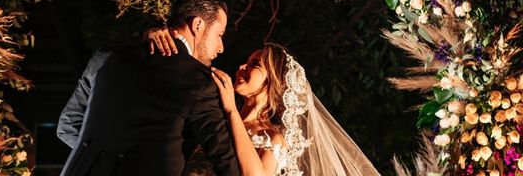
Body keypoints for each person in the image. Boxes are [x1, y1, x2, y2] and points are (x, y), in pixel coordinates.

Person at [57, 0, 240, 176]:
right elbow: (224, 159)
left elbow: (69, 126)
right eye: (220, 35)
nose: (221, 48)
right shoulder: (199, 81)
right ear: (198, 25)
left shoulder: (107, 58)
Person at [148, 34, 381, 176]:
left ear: (273, 81)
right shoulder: (216, 109)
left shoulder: (272, 138)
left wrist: (231, 108)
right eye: (247, 62)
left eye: (254, 64)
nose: (242, 67)